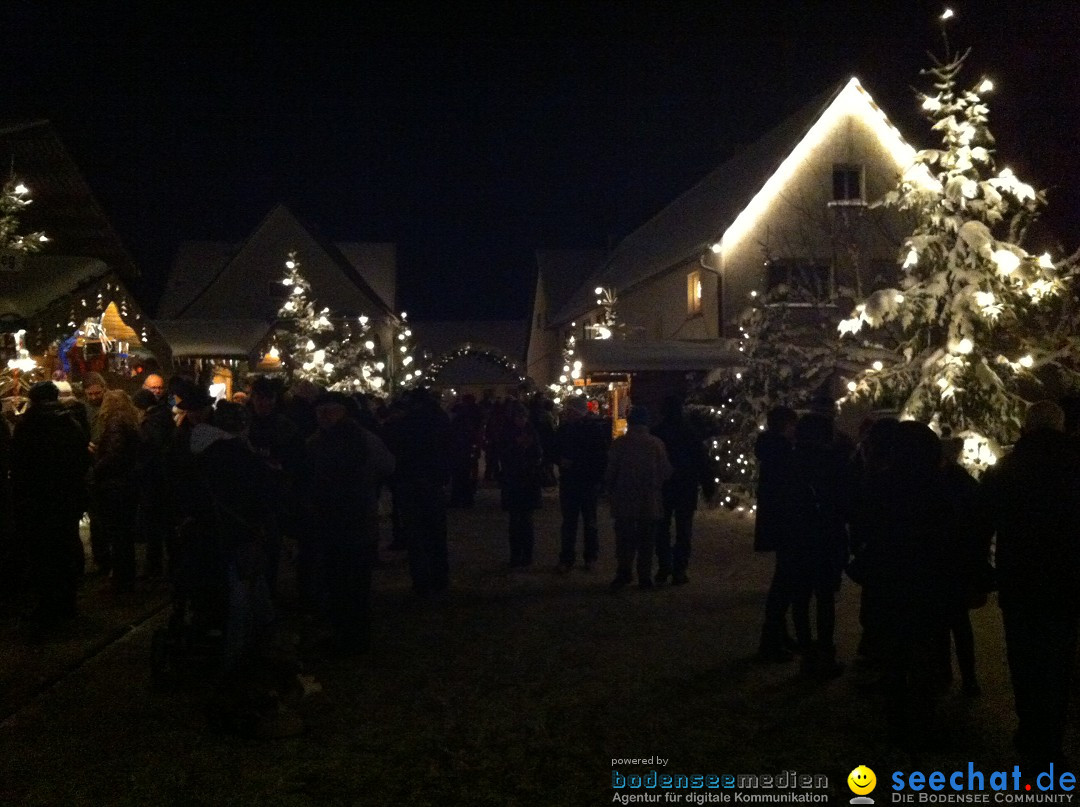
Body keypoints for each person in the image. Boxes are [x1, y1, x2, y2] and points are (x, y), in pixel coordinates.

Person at [981, 400, 1080, 767]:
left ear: (1026, 427)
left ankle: (1030, 726)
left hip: (1019, 579)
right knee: (1058, 660)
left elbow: (981, 523)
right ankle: (1050, 738)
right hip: (1067, 581)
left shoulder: (1006, 469)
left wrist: (981, 570)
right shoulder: (1074, 465)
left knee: (1023, 657)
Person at [306, 391, 395, 652]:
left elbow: (388, 465)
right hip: (340, 520)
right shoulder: (317, 442)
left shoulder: (356, 440)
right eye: (320, 412)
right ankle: (348, 633)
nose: (324, 416)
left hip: (349, 519)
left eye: (329, 411)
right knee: (342, 580)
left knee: (349, 581)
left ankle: (352, 635)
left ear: (342, 412)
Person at [10, 381, 90, 633]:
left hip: (38, 502)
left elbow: (19, 464)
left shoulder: (29, 425)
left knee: (42, 555)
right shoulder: (70, 423)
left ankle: (46, 605)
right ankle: (67, 603)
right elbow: (81, 459)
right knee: (65, 549)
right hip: (67, 499)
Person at [383, 388, 453, 597]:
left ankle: (421, 580)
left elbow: (395, 450)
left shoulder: (405, 423)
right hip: (432, 482)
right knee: (436, 532)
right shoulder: (439, 419)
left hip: (410, 482)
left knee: (416, 534)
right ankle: (439, 577)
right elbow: (448, 448)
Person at [604, 405, 672, 591]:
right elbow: (666, 471)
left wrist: (610, 488)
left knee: (624, 539)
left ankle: (624, 572)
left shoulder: (620, 444)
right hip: (648, 499)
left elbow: (611, 472)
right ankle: (644, 576)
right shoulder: (656, 444)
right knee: (646, 540)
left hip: (625, 498)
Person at [652, 395, 715, 586]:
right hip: (686, 486)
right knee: (683, 529)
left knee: (662, 529)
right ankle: (679, 569)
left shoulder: (658, 433)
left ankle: (665, 566)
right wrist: (707, 485)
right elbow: (702, 460)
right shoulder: (690, 433)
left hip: (664, 486)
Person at [754, 405, 799, 662]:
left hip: (777, 522)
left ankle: (778, 635)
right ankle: (772, 639)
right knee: (784, 584)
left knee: (783, 581)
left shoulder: (771, 449)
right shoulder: (783, 452)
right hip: (787, 523)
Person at [90, 390, 143, 592]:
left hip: (114, 485)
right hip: (128, 484)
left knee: (117, 533)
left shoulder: (114, 423)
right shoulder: (131, 422)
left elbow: (114, 453)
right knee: (125, 533)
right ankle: (126, 574)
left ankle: (121, 577)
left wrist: (97, 466)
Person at [553, 396, 610, 573]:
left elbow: (599, 457)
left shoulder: (593, 430)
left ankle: (590, 557)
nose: (568, 413)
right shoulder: (565, 429)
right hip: (571, 481)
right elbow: (554, 449)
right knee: (570, 522)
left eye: (571, 411)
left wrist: (574, 464)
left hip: (586, 481)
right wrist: (559, 460)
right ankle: (568, 557)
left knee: (589, 521)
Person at [498, 402, 543, 568]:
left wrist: (530, 455)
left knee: (527, 520)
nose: (521, 420)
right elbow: (502, 453)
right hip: (514, 480)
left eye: (523, 417)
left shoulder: (532, 431)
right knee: (515, 521)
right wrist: (516, 447)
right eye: (519, 417)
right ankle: (515, 555)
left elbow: (538, 453)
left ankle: (527, 555)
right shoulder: (507, 432)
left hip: (528, 480)